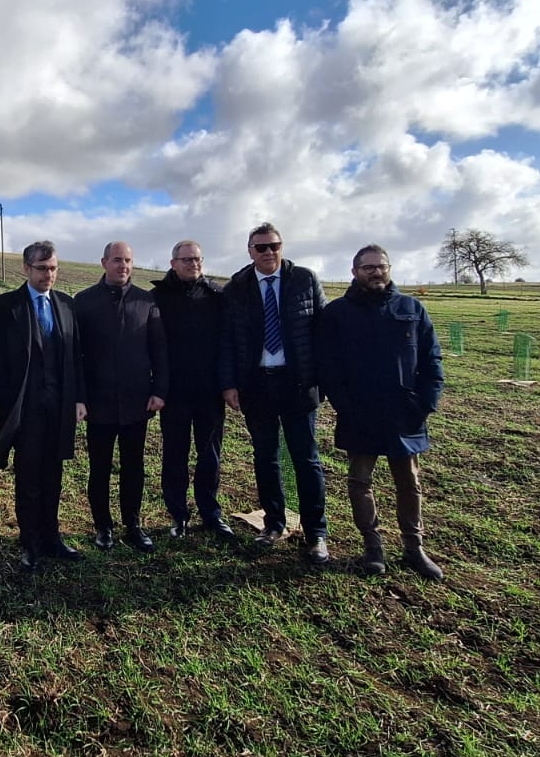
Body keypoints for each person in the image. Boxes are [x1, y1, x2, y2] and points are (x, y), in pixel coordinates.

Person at [318, 245, 445, 580]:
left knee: (410, 482)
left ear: (389, 269)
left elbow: (432, 360)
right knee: (360, 481)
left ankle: (413, 546)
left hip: (405, 414)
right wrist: (345, 404)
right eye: (368, 267)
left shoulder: (411, 308)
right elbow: (329, 366)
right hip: (360, 412)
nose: (376, 272)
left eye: (381, 266)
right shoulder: (338, 313)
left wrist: (426, 403)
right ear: (354, 271)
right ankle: (372, 546)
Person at [217, 222, 330, 563]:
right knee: (265, 458)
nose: (268, 252)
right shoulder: (237, 288)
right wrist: (228, 383)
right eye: (261, 247)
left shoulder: (304, 280)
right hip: (257, 384)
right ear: (249, 251)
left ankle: (316, 534)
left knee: (305, 459)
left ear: (282, 247)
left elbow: (323, 332)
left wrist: (322, 380)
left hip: (297, 384)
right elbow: (226, 340)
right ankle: (273, 524)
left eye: (274, 246)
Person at [0, 240, 86, 570]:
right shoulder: (4, 306)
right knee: (28, 476)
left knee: (53, 474)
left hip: (60, 406)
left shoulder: (67, 305)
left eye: (53, 268)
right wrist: (9, 399)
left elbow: (76, 357)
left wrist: (79, 398)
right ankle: (29, 543)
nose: (49, 275)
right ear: (26, 269)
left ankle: (51, 537)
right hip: (24, 409)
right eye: (42, 269)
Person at [72, 242, 167, 552]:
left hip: (136, 401)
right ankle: (103, 527)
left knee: (133, 467)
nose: (122, 265)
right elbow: (76, 356)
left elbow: (159, 350)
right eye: (116, 260)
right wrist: (80, 397)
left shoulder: (146, 300)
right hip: (97, 403)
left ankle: (134, 525)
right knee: (99, 468)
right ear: (103, 262)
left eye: (127, 260)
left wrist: (159, 390)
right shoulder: (83, 302)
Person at [151, 240, 235, 544]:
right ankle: (177, 514)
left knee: (209, 456)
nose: (192, 264)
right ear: (173, 263)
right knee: (175, 455)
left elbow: (229, 340)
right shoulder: (157, 297)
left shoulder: (217, 296)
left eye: (197, 259)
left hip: (209, 393)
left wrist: (228, 384)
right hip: (173, 393)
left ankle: (210, 513)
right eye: (186, 259)